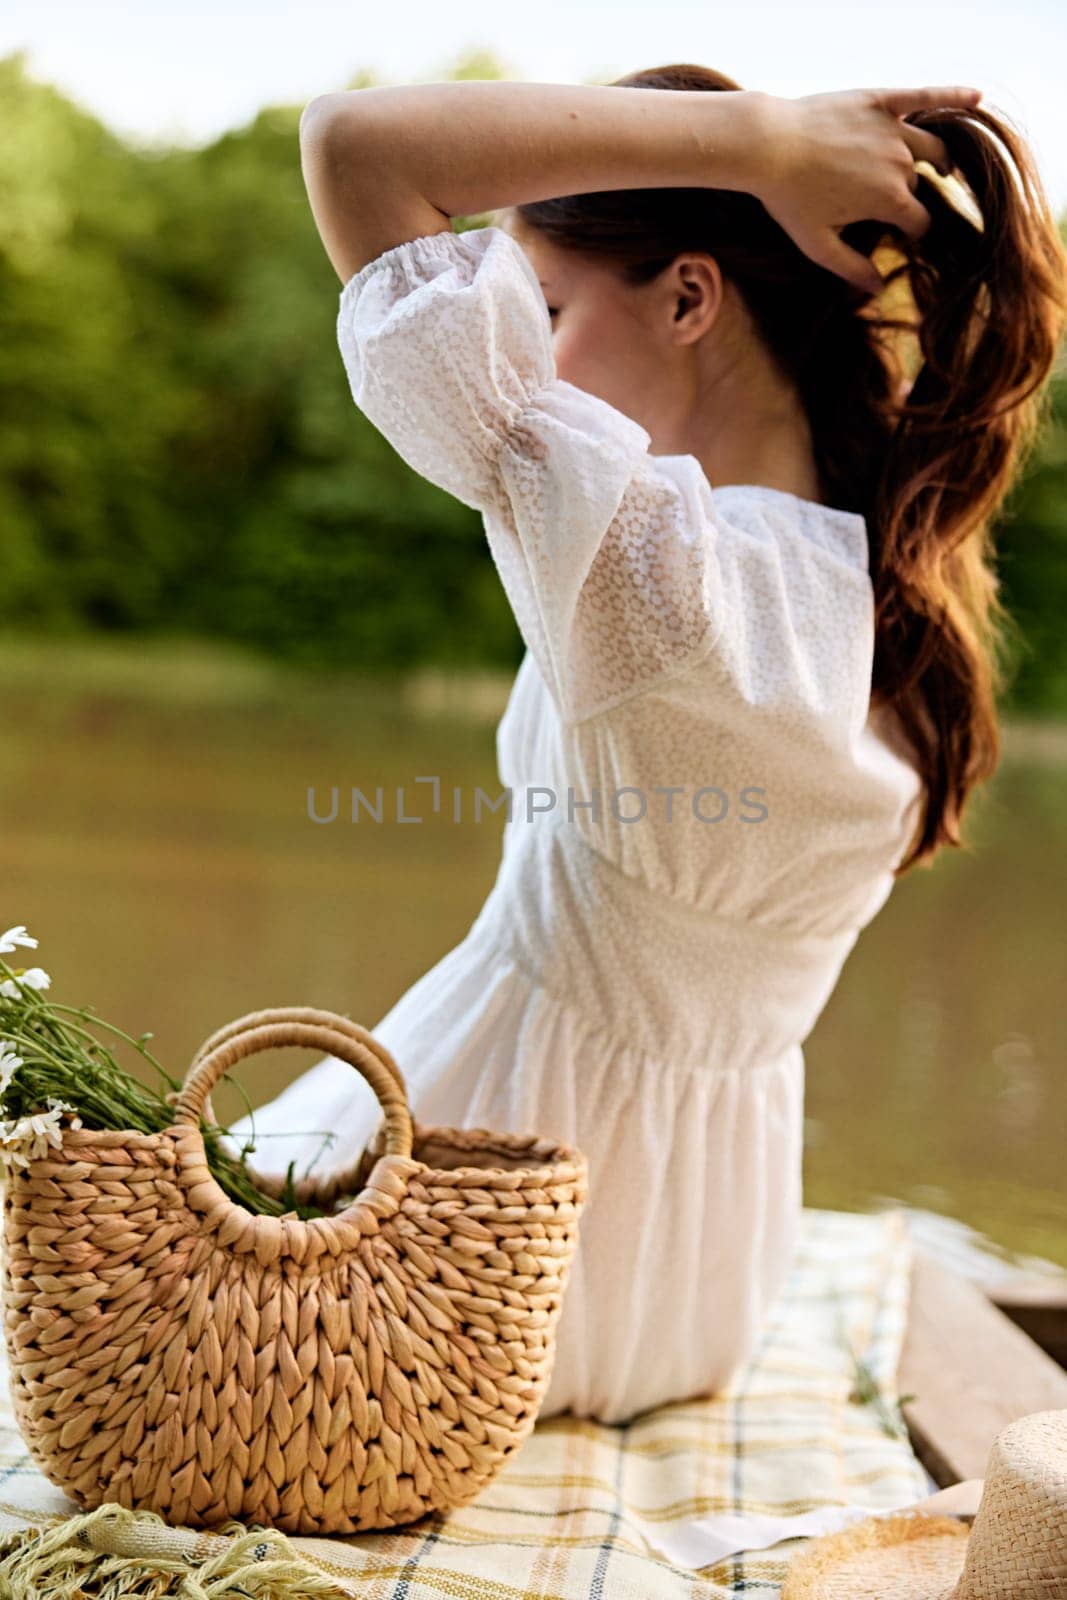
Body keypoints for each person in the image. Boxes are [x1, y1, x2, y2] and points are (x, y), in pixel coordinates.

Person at [225, 66, 1067, 1423]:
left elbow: (355, 139)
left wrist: (759, 144)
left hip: (456, 1263)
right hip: (688, 1290)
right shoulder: (887, 606)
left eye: (548, 310)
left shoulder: (663, 573)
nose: (533, 352)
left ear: (689, 298)